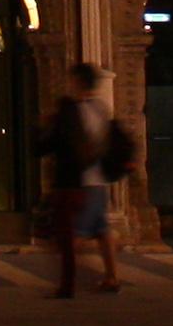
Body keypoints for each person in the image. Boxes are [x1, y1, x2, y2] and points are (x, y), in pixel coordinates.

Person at [34, 62, 129, 298]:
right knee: (101, 230)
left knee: (72, 235)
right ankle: (111, 276)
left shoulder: (75, 111)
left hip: (81, 181)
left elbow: (58, 141)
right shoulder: (101, 108)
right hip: (99, 181)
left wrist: (46, 127)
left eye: (72, 80)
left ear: (78, 82)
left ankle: (70, 282)